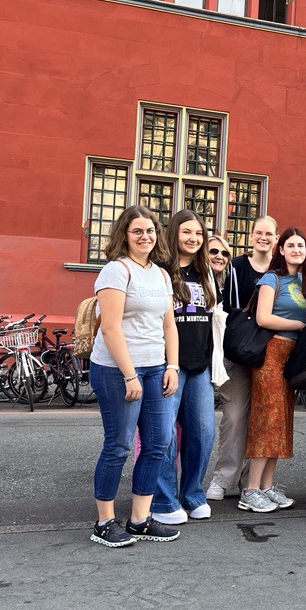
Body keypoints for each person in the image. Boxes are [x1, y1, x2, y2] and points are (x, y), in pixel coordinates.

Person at [88, 205, 180, 547]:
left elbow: (169, 325)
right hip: (116, 370)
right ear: (124, 235)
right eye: (137, 231)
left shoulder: (161, 275)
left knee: (158, 442)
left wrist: (172, 366)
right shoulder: (115, 271)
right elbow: (110, 328)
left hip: (156, 367)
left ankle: (140, 519)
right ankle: (104, 522)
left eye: (150, 230)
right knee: (119, 444)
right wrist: (130, 375)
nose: (145, 236)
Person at [151, 210, 229, 525]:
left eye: (198, 233)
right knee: (165, 434)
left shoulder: (205, 272)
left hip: (200, 365)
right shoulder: (159, 270)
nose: (193, 238)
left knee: (202, 432)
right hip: (168, 364)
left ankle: (192, 494)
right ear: (174, 234)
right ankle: (163, 500)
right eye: (186, 232)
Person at [238, 227, 306, 513]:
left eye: (300, 246)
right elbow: (263, 317)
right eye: (290, 245)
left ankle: (267, 486)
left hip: (292, 358)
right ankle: (250, 489)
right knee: (266, 419)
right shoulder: (272, 278)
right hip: (271, 352)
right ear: (281, 250)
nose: (296, 250)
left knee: (281, 420)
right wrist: (299, 324)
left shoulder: (305, 282)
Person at [206, 216, 277, 501]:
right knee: (235, 417)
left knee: (264, 420)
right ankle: (224, 478)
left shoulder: (281, 268)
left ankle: (252, 482)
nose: (263, 238)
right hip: (238, 351)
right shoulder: (236, 267)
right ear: (251, 236)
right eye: (259, 232)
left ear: (276, 238)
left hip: (271, 355)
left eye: (269, 234)